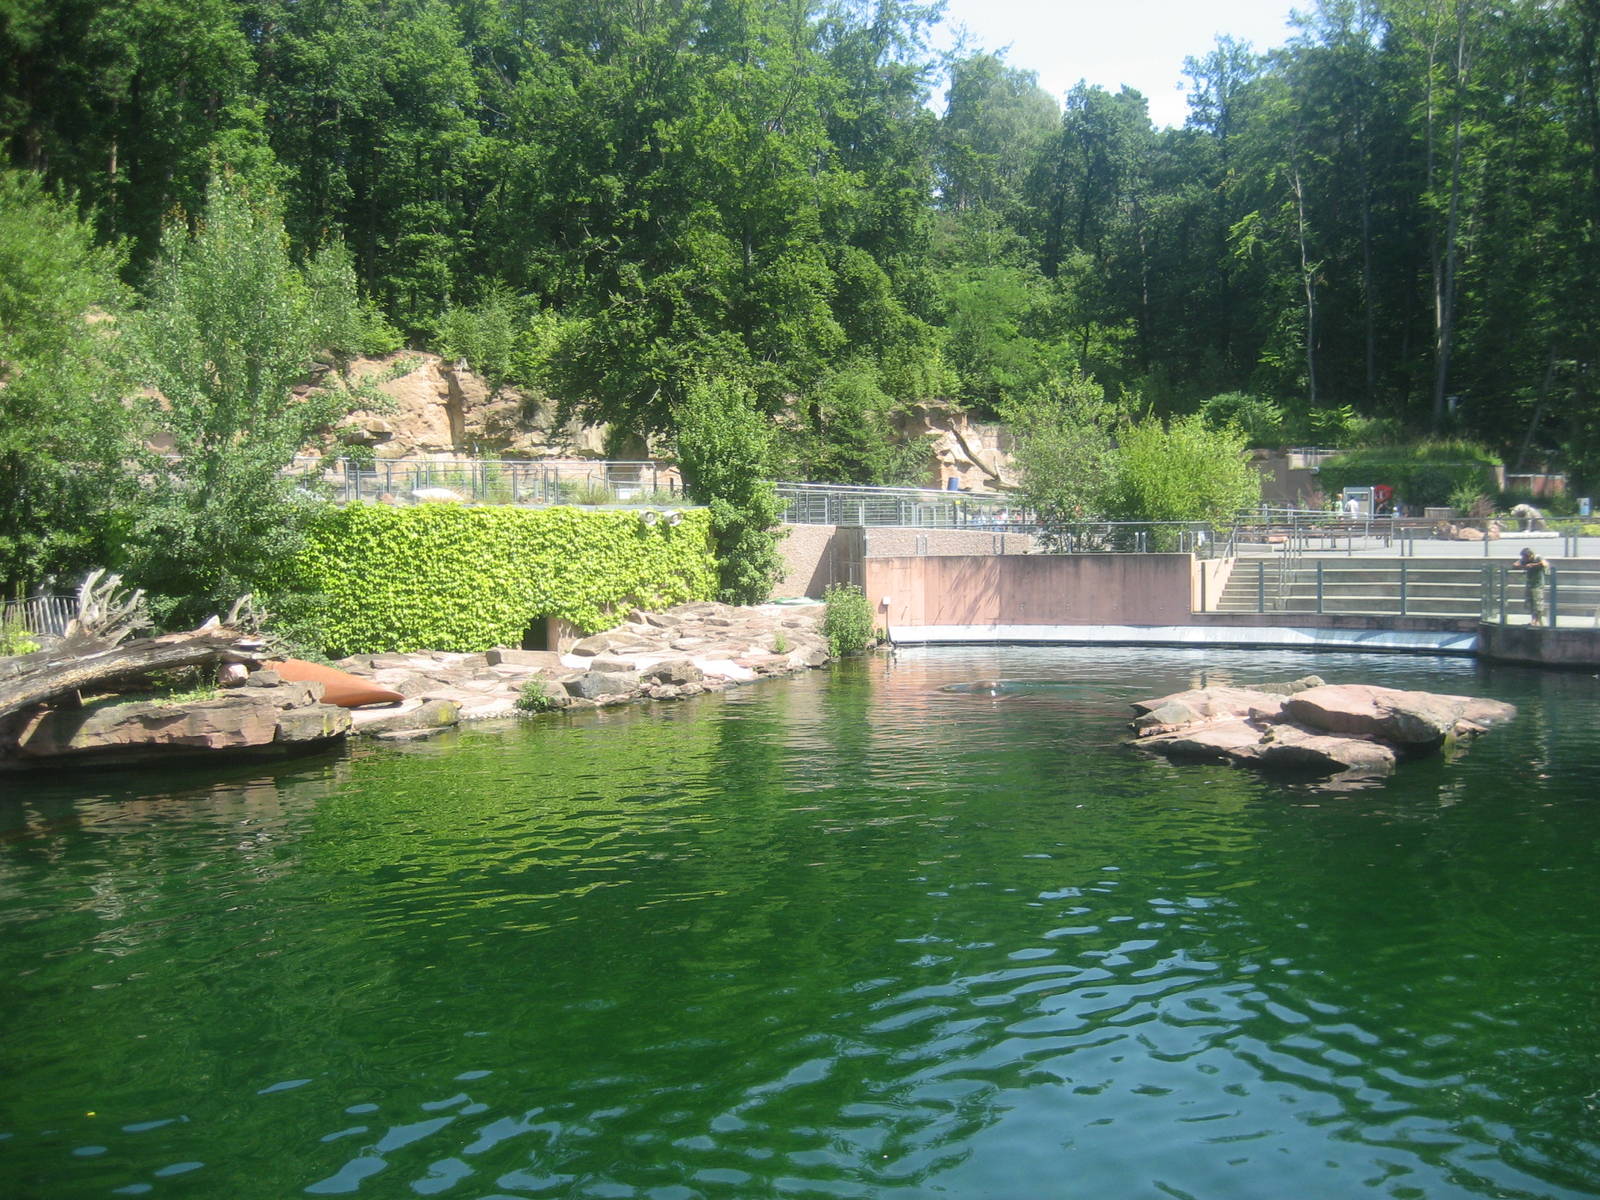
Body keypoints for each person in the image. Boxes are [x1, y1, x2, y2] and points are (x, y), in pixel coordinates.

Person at [1511, 547, 1549, 626]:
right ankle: (1534, 620)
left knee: (1538, 603)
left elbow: (1545, 564)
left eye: (1526, 557)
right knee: (1531, 603)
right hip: (1529, 584)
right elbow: (1515, 565)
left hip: (1538, 585)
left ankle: (1537, 620)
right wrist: (1523, 566)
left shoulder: (1537, 557)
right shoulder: (1524, 560)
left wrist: (1533, 565)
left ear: (1531, 555)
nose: (1524, 558)